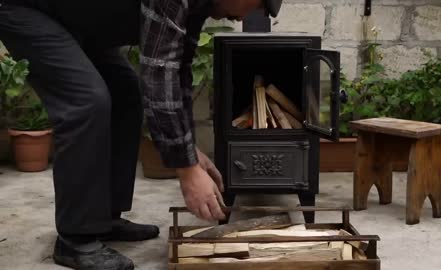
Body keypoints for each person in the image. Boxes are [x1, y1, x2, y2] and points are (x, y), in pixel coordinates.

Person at [0, 0, 283, 269]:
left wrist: (188, 150)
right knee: (86, 102)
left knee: (126, 91)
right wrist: (186, 171)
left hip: (74, 20)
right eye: (258, 5)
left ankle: (104, 219)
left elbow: (178, 73)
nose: (246, 17)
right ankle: (75, 240)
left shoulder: (197, 6)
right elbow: (158, 74)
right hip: (27, 10)